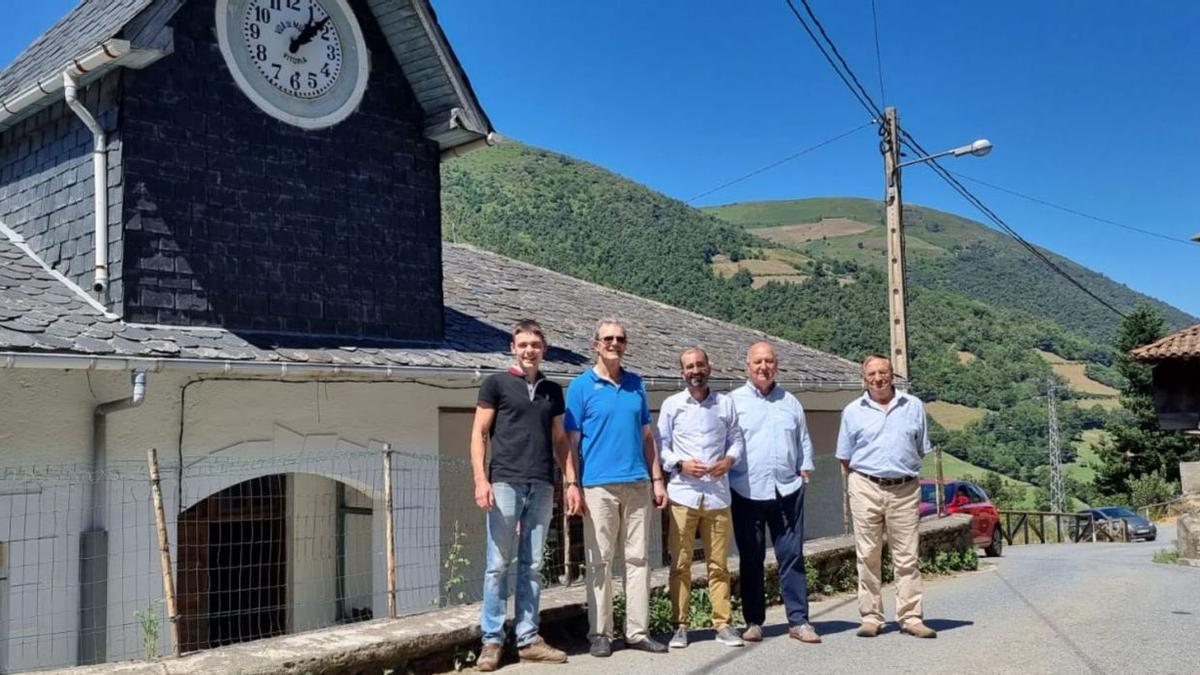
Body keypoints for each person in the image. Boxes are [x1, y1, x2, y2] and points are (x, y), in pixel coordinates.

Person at [470, 320, 583, 671]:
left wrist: (571, 482)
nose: (529, 350)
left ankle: (529, 638)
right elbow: (479, 433)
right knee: (497, 566)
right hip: (504, 482)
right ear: (512, 347)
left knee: (532, 566)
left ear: (544, 348)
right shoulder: (496, 384)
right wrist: (480, 480)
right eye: (523, 344)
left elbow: (561, 440)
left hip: (541, 483)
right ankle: (491, 641)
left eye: (535, 344)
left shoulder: (553, 390)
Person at [565, 318, 669, 657]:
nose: (614, 343)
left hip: (638, 484)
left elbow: (647, 437)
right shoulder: (580, 387)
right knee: (600, 561)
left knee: (639, 560)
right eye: (607, 338)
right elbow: (571, 441)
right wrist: (573, 485)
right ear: (595, 344)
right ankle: (601, 633)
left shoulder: (637, 384)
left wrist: (657, 479)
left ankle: (637, 631)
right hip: (598, 487)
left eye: (620, 338)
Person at [836, 354, 938, 639]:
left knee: (907, 556)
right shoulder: (852, 411)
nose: (878, 378)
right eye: (872, 374)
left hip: (904, 489)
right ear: (864, 378)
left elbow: (919, 449)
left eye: (883, 372)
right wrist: (869, 477)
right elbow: (845, 457)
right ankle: (871, 616)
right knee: (867, 554)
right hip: (866, 486)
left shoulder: (914, 406)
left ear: (892, 375)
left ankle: (911, 617)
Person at [728, 341, 821, 644]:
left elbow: (803, 439)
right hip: (747, 489)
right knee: (751, 557)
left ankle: (799, 621)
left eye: (768, 361)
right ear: (748, 366)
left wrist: (804, 467)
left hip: (787, 490)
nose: (763, 367)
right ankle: (754, 621)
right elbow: (726, 442)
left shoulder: (790, 402)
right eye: (758, 362)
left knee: (792, 555)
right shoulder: (733, 402)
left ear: (776, 365)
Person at [657, 347, 746, 649]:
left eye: (700, 365)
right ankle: (680, 626)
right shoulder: (672, 405)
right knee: (680, 564)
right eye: (689, 367)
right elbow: (661, 446)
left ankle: (722, 624)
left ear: (709, 367)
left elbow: (737, 439)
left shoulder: (725, 404)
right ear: (682, 372)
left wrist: (729, 461)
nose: (695, 371)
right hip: (683, 495)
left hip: (718, 497)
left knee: (718, 565)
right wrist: (680, 464)